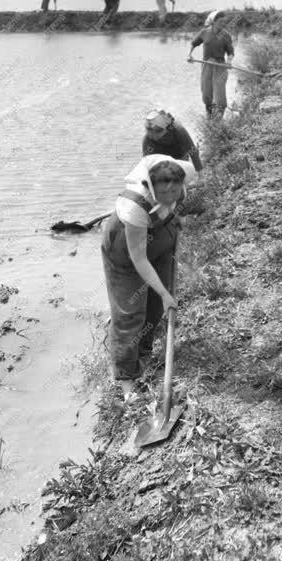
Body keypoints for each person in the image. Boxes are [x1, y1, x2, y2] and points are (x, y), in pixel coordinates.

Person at [101, 155, 197, 401]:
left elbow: (181, 202)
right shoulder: (134, 207)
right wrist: (167, 294)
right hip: (126, 250)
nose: (172, 197)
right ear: (152, 189)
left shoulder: (183, 173)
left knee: (155, 306)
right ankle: (127, 383)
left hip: (160, 240)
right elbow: (139, 259)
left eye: (176, 192)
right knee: (130, 313)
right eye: (165, 194)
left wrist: (178, 219)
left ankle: (144, 357)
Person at [188, 11, 234, 117]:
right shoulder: (204, 32)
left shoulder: (226, 35)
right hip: (206, 65)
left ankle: (219, 120)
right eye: (220, 21)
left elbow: (230, 52)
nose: (222, 23)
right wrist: (189, 55)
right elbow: (193, 43)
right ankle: (209, 116)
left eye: (224, 21)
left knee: (219, 94)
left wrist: (229, 61)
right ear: (213, 22)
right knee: (206, 93)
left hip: (220, 67)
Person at [142, 110, 203, 178]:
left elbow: (193, 151)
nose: (151, 136)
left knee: (178, 175)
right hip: (160, 159)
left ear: (164, 130)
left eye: (154, 135)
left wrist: (201, 177)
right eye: (149, 133)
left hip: (180, 155)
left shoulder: (178, 130)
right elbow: (146, 163)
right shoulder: (147, 138)